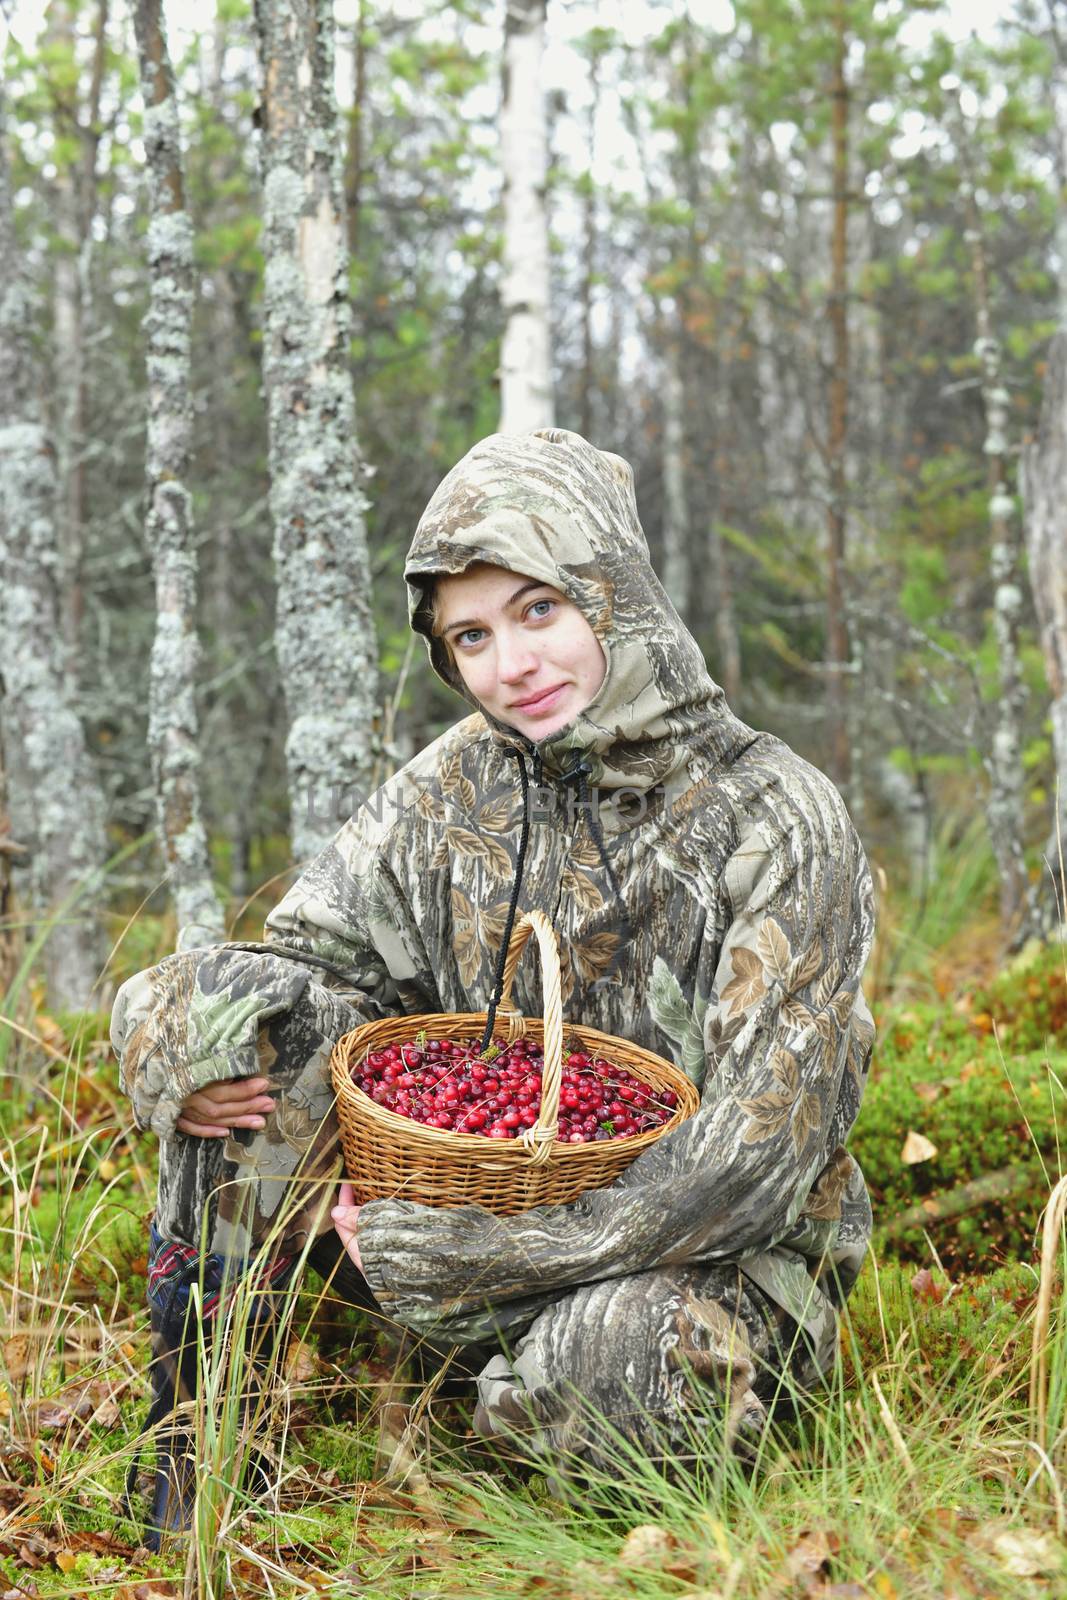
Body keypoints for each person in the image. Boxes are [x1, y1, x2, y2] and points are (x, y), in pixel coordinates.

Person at [112, 427, 875, 1540]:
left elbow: (756, 1158)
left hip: (705, 1263)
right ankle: (197, 1464)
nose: (509, 663)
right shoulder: (450, 790)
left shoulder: (774, 815)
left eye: (537, 610)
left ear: (611, 592)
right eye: (469, 634)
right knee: (251, 1038)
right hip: (449, 1238)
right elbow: (307, 972)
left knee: (610, 1366)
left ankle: (535, 1422)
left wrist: (487, 1256)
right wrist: (170, 1032)